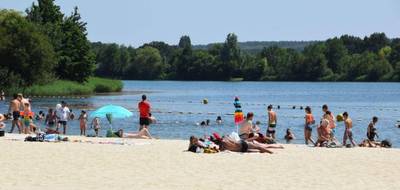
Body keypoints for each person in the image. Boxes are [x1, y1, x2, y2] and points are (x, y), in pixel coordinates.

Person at [210, 134, 284, 154]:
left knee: (258, 149)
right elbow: (235, 141)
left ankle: (274, 150)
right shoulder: (226, 139)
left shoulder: (221, 147)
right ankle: (272, 152)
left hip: (242, 149)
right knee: (259, 147)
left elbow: (220, 150)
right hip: (242, 144)